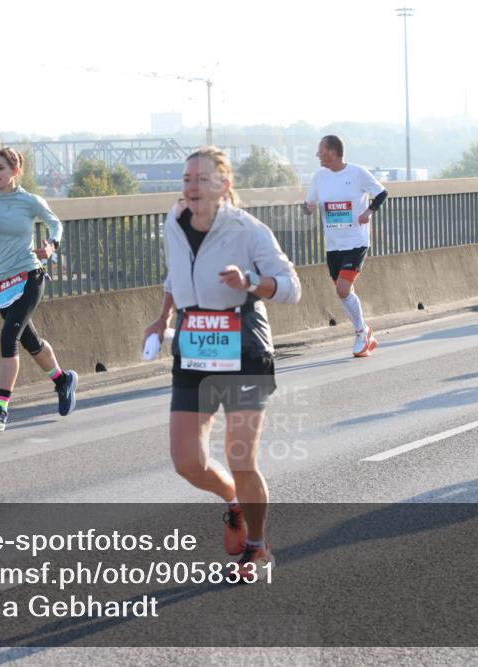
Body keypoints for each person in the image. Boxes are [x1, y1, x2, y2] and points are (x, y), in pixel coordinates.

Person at [143, 147, 301, 581]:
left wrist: (249, 282)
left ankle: (258, 548)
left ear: (224, 185)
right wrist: (162, 318)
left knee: (241, 458)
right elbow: (175, 275)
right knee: (186, 461)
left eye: (202, 179)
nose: (192, 186)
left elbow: (291, 287)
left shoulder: (248, 230)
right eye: (187, 178)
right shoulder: (173, 221)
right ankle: (235, 502)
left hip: (244, 347)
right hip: (194, 348)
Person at [0, 147, 78, 432]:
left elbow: (56, 225)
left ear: (15, 170)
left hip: (29, 276)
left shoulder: (30, 201)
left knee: (8, 337)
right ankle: (63, 380)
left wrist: (51, 245)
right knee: (31, 342)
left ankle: (0, 410)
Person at [303, 135, 388, 357]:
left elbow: (382, 193)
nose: (317, 155)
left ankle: (361, 332)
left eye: (320, 150)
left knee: (342, 288)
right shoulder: (319, 177)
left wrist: (368, 212)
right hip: (333, 245)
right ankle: (365, 331)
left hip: (356, 241)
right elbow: (307, 205)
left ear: (331, 152)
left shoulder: (357, 173)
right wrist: (309, 208)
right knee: (344, 293)